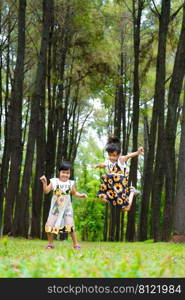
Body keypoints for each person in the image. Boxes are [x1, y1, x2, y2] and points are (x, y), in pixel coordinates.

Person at [40, 161, 87, 249]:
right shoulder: (54, 181)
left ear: (70, 173)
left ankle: (76, 244)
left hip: (67, 208)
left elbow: (74, 193)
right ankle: (50, 244)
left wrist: (81, 195)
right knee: (49, 224)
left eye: (67, 173)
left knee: (71, 225)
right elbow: (46, 191)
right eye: (63, 172)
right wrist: (44, 182)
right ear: (59, 172)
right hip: (56, 208)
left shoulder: (70, 183)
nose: (65, 175)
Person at [94, 136, 144, 211]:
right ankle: (105, 195)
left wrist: (138, 152)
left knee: (126, 208)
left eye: (114, 155)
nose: (111, 158)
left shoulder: (121, 159)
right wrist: (97, 166)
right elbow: (103, 165)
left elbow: (129, 156)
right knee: (105, 178)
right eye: (110, 155)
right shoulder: (108, 161)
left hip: (121, 183)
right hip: (113, 185)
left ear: (119, 154)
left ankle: (132, 192)